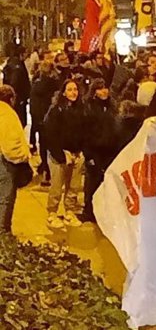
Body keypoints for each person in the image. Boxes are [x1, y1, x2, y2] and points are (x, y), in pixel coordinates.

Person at [42, 79, 87, 229]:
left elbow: (84, 132)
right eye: (69, 89)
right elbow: (50, 135)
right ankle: (52, 213)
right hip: (59, 155)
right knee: (57, 186)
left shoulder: (82, 110)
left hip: (76, 154)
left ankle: (69, 211)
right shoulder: (56, 111)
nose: (73, 93)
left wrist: (81, 151)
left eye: (75, 89)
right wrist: (61, 154)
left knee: (73, 186)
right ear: (63, 92)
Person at [80, 79, 119, 223]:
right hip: (95, 151)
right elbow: (86, 133)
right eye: (99, 89)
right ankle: (89, 211)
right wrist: (88, 154)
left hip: (109, 151)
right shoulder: (89, 108)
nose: (103, 91)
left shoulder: (112, 107)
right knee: (93, 182)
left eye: (105, 88)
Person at [0, 85, 31, 234]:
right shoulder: (7, 114)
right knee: (5, 199)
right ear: (11, 99)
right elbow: (11, 145)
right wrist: (24, 156)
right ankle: (3, 234)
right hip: (5, 163)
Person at [30, 61, 60, 186]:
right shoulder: (55, 84)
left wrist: (36, 119)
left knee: (43, 145)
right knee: (52, 145)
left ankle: (45, 170)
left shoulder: (36, 84)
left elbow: (33, 103)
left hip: (40, 118)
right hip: (51, 119)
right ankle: (50, 171)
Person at [3, 43, 31, 127]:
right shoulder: (17, 66)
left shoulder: (14, 63)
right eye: (26, 52)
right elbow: (15, 82)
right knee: (19, 120)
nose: (27, 55)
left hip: (18, 98)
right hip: (18, 99)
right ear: (21, 53)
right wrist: (17, 96)